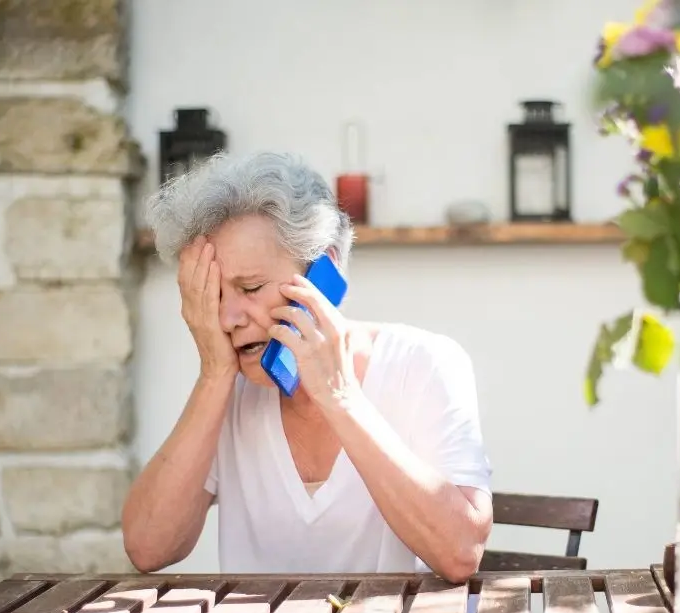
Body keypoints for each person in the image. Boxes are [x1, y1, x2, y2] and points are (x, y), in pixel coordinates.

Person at [122, 152, 494, 582]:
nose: (229, 319)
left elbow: (461, 552)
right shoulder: (228, 390)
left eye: (251, 287)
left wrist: (340, 397)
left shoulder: (424, 363)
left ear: (325, 272)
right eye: (215, 297)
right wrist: (212, 376)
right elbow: (147, 547)